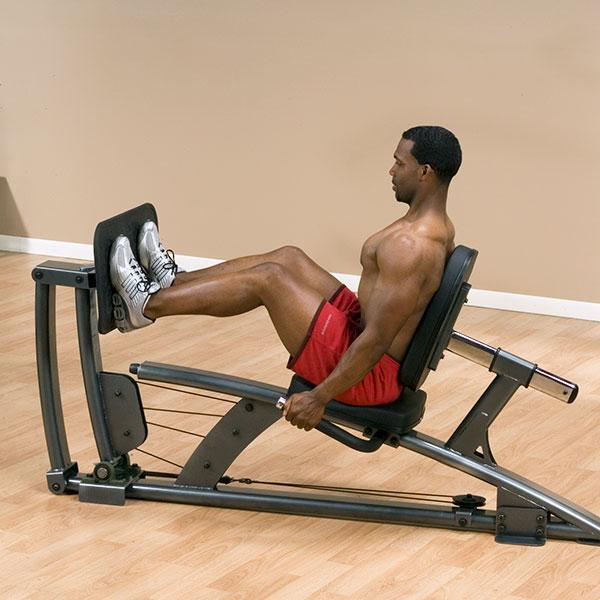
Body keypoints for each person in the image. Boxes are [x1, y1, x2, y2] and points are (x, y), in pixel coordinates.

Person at [110, 125, 461, 431]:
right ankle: (173, 283)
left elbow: (377, 339)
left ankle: (147, 306)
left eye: (400, 163)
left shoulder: (412, 246)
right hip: (364, 335)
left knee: (270, 279)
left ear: (424, 172)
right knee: (288, 257)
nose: (391, 170)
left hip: (369, 375)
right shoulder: (433, 227)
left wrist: (319, 398)